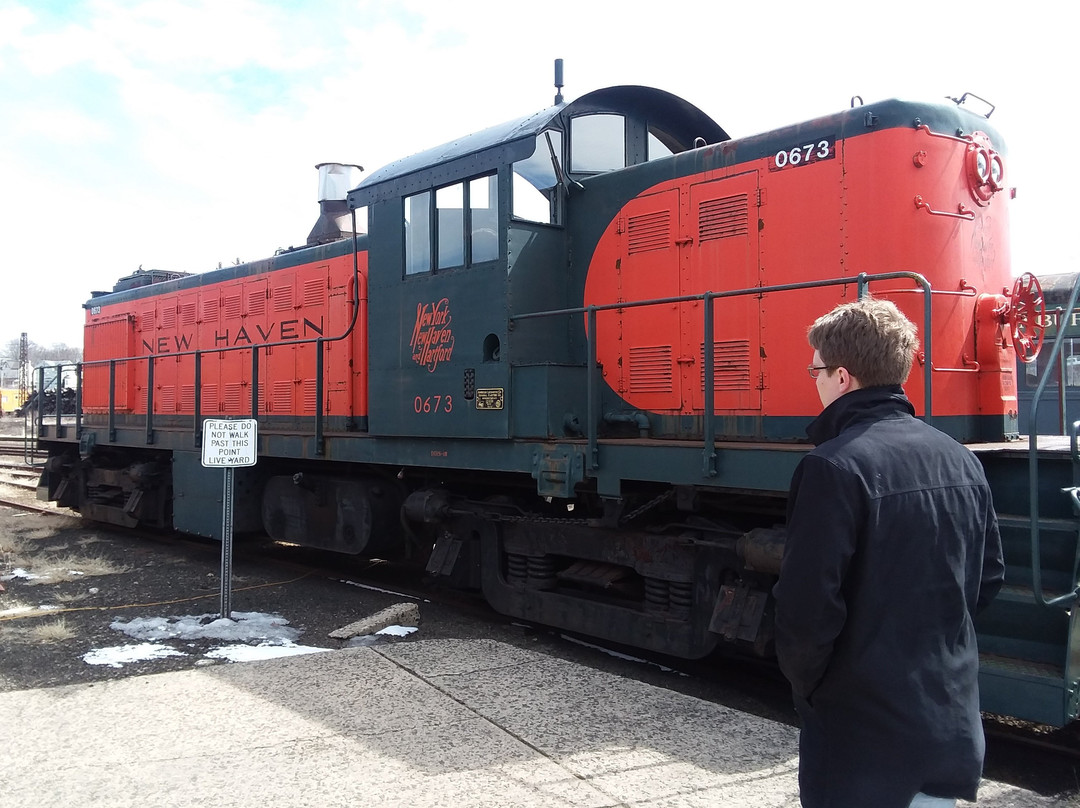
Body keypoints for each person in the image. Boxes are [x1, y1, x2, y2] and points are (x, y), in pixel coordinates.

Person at [772, 298, 1005, 808]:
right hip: (951, 727)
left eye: (815, 370)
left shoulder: (831, 468)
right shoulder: (961, 460)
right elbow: (987, 581)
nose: (813, 382)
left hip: (863, 744)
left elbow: (806, 613)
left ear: (842, 377)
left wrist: (811, 689)